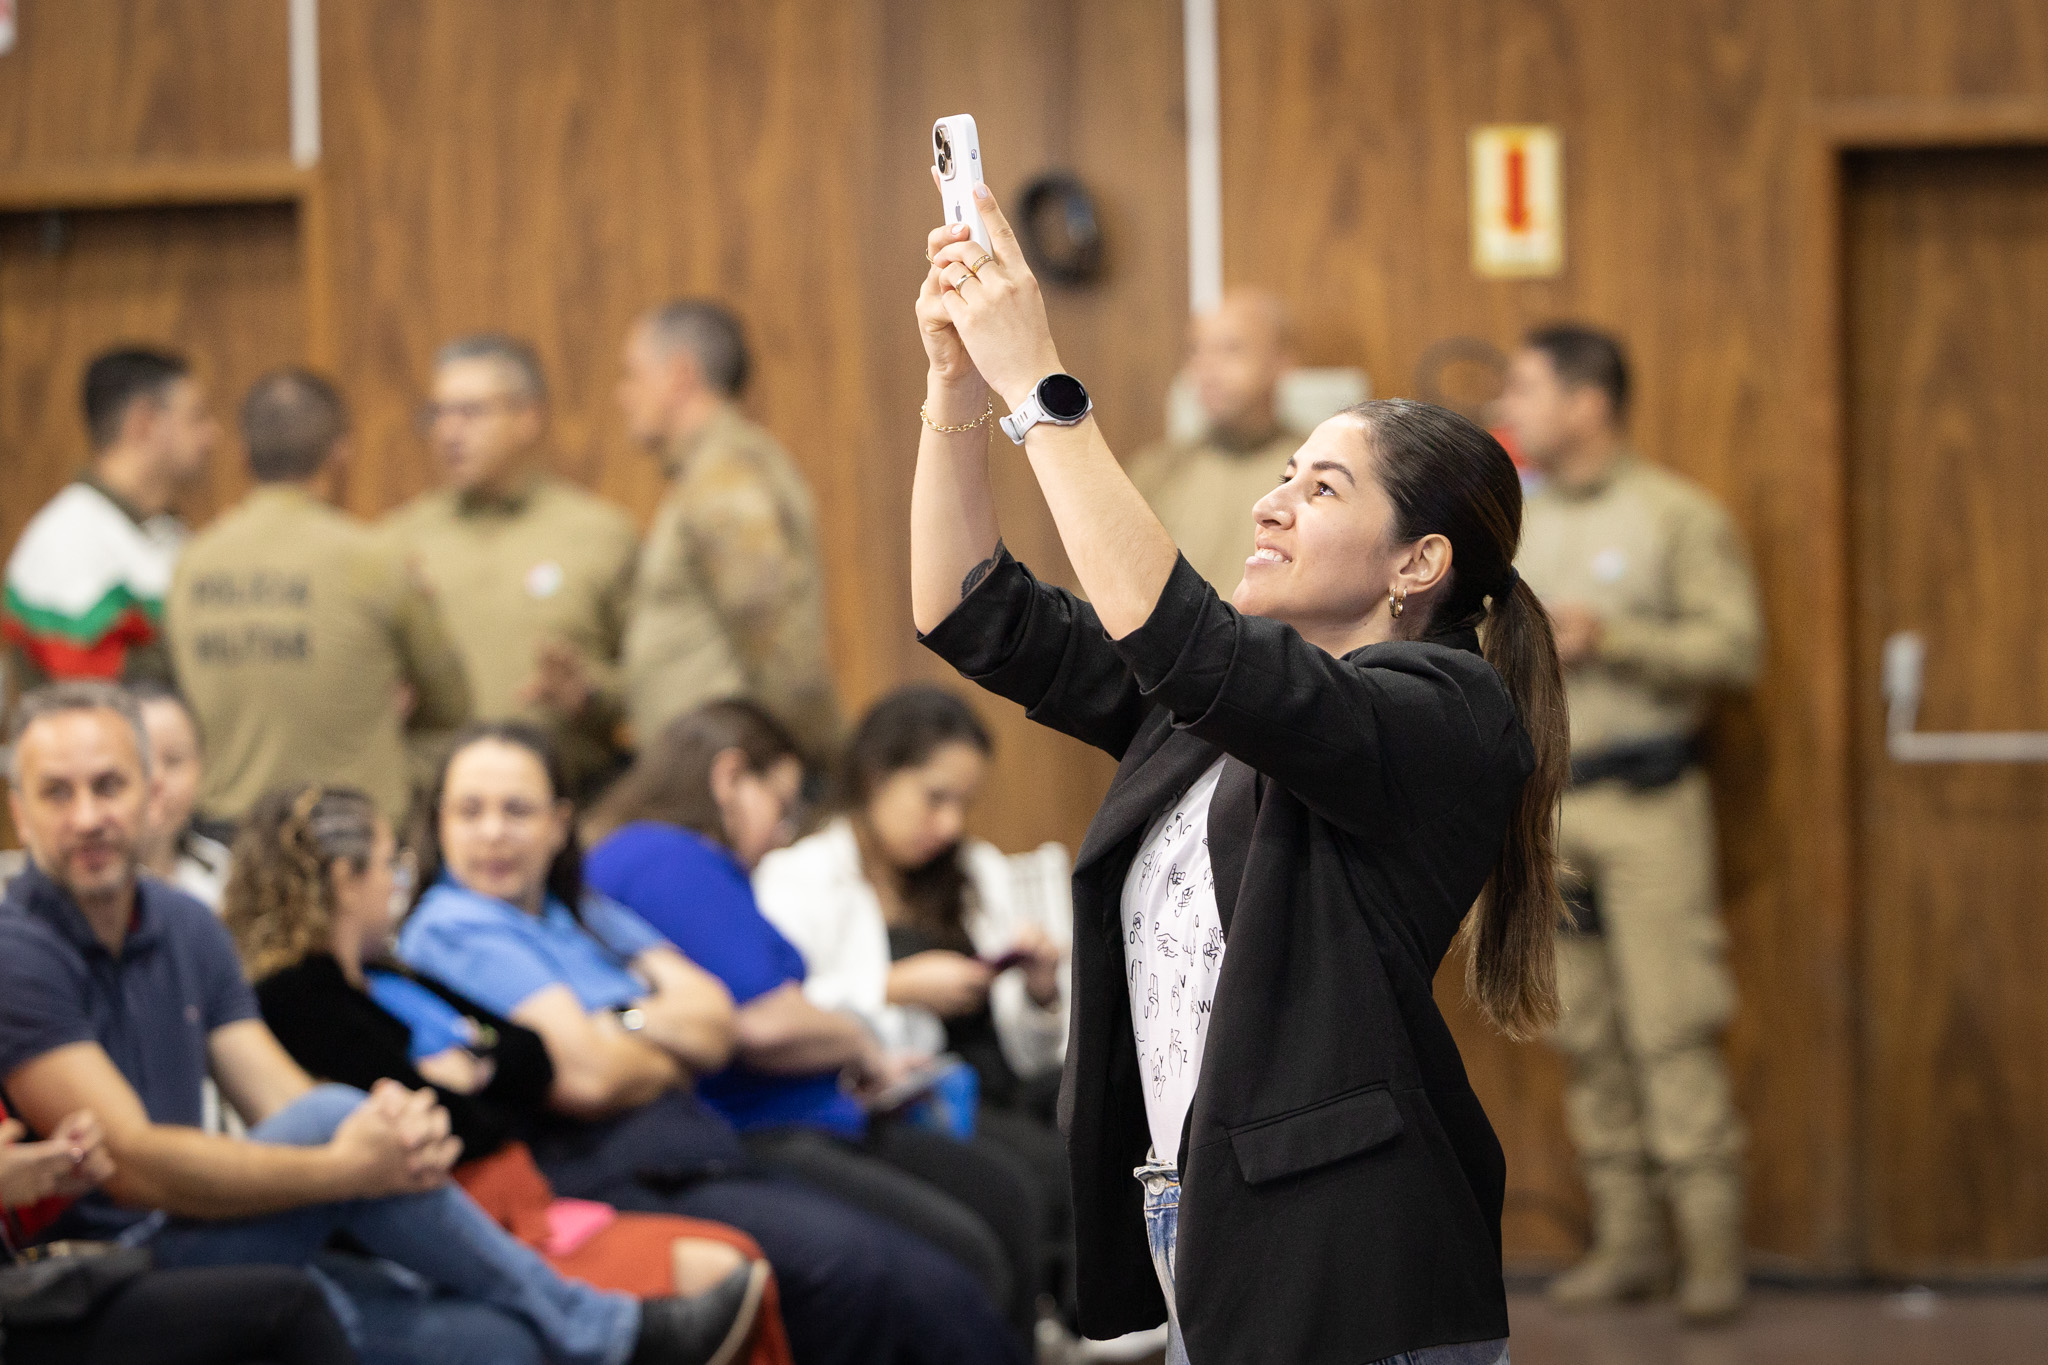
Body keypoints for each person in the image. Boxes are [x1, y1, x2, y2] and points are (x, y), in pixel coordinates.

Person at [915, 188, 1569, 1364]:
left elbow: (1187, 644)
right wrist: (955, 382)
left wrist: (1039, 386)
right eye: (1284, 475)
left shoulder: (1442, 709)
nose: (1271, 505)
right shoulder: (1219, 715)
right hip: (1204, 1231)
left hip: (1348, 1266)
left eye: (1321, 490)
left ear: (1417, 562)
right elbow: (971, 612)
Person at [0, 682, 768, 1365]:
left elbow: (279, 1094)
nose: (88, 816)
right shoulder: (18, 951)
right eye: (57, 793)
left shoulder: (185, 925)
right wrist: (345, 1167)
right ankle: (612, 1332)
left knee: (499, 1341)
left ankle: (595, 1329)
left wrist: (386, 1130)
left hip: (216, 1229)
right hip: (93, 1276)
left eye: (108, 785)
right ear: (19, 810)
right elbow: (131, 1163)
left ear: (153, 792)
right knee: (339, 1120)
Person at [397, 721, 1028, 1365]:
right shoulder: (453, 925)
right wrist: (660, 1039)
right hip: (612, 1169)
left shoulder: (577, 910)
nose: (492, 832)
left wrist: (616, 1023)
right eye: (469, 811)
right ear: (439, 824)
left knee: (945, 1266)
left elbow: (716, 1022)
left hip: (700, 1145)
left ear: (560, 823)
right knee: (874, 1274)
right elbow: (591, 1077)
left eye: (516, 810)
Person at [223, 783, 787, 1365]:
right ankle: (609, 1332)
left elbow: (531, 1056)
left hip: (527, 1197)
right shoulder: (297, 998)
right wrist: (479, 1068)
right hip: (456, 1222)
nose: (396, 884)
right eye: (390, 865)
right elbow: (442, 1126)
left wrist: (474, 1067)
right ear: (346, 878)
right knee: (723, 1262)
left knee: (741, 1259)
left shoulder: (391, 975)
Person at [582, 700, 1047, 1343]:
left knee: (1001, 1200)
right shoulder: (666, 856)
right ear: (729, 779)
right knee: (966, 1257)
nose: (781, 833)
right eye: (781, 805)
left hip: (804, 1115)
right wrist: (859, 1042)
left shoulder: (662, 858)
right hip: (762, 1130)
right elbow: (763, 1023)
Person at [1498, 324, 1763, 1324]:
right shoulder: (1515, 522)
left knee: (1670, 1028)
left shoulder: (1675, 515)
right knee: (1584, 1035)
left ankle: (1711, 1259)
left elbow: (1734, 648)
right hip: (1550, 810)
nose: (1509, 407)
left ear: (1587, 402)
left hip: (1652, 807)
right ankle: (1628, 1248)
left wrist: (1615, 637)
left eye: (1526, 388)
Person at [750, 687, 1073, 1312]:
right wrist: (893, 987)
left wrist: (1040, 990)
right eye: (935, 798)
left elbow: (1032, 1051)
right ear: (877, 776)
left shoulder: (973, 870)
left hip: (1002, 1079)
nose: (950, 825)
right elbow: (779, 1008)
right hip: (913, 1096)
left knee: (1105, 1118)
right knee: (1042, 1172)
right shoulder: (800, 878)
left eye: (963, 805)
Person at [164, 369, 472, 824]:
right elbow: (452, 705)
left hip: (227, 836)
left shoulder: (191, 564)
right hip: (354, 834)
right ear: (340, 453)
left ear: (244, 455)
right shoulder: (373, 559)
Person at [384, 335, 640, 799]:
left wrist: (588, 694)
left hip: (572, 800)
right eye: (438, 413)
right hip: (434, 805)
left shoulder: (602, 536)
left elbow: (652, 685)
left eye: (471, 412)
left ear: (528, 418)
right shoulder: (395, 543)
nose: (449, 432)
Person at [613, 302, 840, 767]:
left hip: (730, 775)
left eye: (633, 374)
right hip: (706, 769)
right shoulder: (705, 472)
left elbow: (775, 636)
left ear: (679, 375)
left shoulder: (727, 475)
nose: (623, 394)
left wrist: (820, 764)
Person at [2, 347, 219, 686]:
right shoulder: (67, 539)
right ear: (144, 423)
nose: (212, 435)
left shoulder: (169, 531)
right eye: (197, 417)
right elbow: (86, 684)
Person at [1124, 290, 1305, 596]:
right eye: (1195, 351)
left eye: (1231, 349)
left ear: (1282, 361)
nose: (1207, 368)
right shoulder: (1154, 472)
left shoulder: (1314, 471)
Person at [132, 683, 234, 907]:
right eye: (140, 760)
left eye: (173, 760)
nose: (156, 779)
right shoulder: (89, 881)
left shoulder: (225, 870)